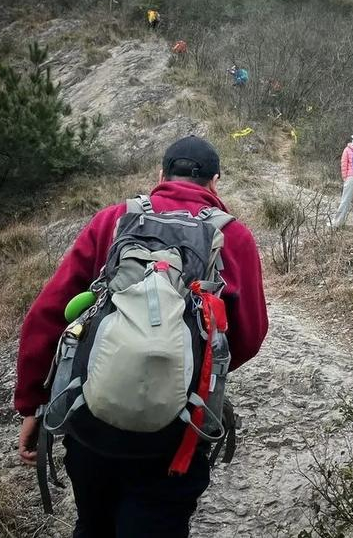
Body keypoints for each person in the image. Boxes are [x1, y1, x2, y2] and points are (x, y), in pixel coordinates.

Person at [14, 136, 268, 538]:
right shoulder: (234, 237)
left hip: (91, 418)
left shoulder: (114, 219)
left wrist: (32, 402)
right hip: (177, 429)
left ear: (160, 175)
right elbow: (251, 335)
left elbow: (47, 316)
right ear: (215, 182)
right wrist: (188, 366)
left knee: (93, 523)